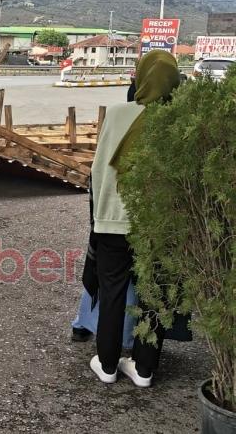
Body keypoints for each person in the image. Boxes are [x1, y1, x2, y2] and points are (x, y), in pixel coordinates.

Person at [87, 50, 180, 388]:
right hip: (162, 227)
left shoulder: (116, 114)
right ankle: (143, 370)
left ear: (139, 78)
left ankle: (108, 365)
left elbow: (98, 171)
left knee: (112, 294)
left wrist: (98, 217)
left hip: (114, 222)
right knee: (156, 295)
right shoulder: (180, 120)